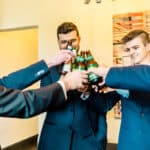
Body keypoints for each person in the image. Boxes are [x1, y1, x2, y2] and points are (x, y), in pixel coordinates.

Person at [38, 22, 117, 150]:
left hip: (86, 139)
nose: (69, 46)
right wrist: (61, 85)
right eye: (64, 42)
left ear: (79, 39)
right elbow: (44, 103)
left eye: (73, 40)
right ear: (58, 43)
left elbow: (103, 105)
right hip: (55, 139)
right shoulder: (49, 71)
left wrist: (87, 93)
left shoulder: (94, 67)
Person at [90, 29, 150, 150]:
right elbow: (103, 105)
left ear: (148, 46)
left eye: (136, 47)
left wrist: (107, 72)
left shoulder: (122, 75)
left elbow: (144, 78)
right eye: (128, 49)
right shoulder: (123, 77)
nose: (131, 52)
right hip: (128, 143)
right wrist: (89, 90)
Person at [0, 70, 88, 117]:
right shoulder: (50, 71)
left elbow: (5, 83)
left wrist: (48, 62)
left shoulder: (90, 66)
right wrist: (67, 84)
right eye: (64, 42)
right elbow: (26, 102)